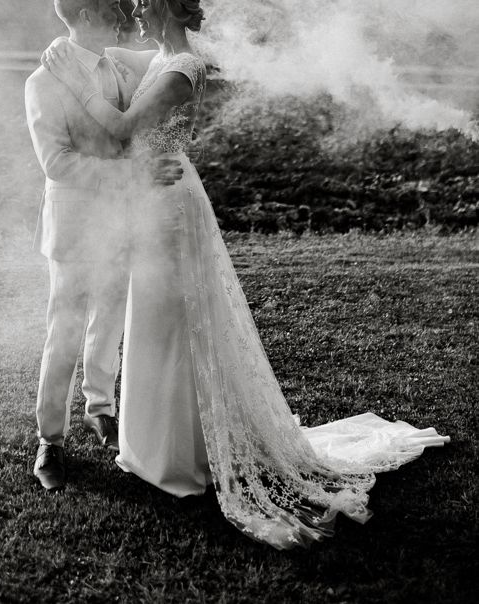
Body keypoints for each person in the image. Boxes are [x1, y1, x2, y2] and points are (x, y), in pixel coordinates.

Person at [43, 0, 450, 550]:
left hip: (168, 199)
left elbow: (120, 124)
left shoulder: (182, 69)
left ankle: (177, 455)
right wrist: (67, 48)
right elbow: (97, 46)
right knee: (155, 322)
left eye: (143, 4)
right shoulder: (156, 55)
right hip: (149, 195)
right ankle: (161, 444)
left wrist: (68, 67)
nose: (134, 11)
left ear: (164, 7)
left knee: (168, 321)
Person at [25, 0, 184, 492]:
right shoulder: (43, 82)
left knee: (111, 318)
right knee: (65, 334)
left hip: (122, 221)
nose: (122, 15)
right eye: (113, 7)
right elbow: (58, 163)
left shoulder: (117, 64)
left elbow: (174, 54)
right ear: (88, 14)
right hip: (75, 225)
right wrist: (135, 173)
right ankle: (50, 439)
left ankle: (101, 409)